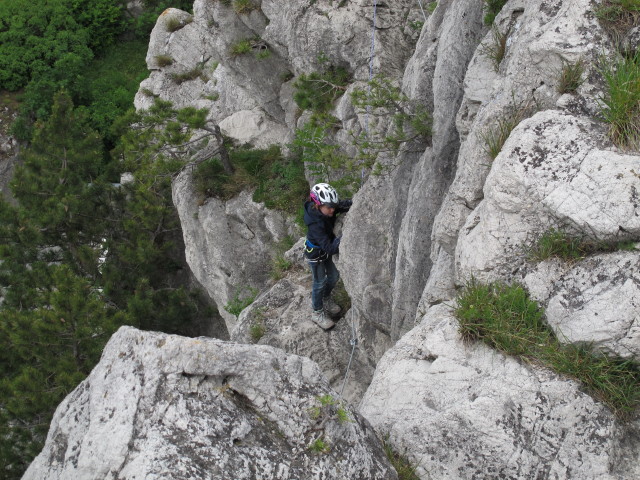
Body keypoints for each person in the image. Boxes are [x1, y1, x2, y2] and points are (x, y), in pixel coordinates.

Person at [303, 183, 352, 330]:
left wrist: (356, 201)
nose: (332, 210)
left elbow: (341, 205)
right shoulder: (315, 223)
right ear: (317, 205)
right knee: (319, 282)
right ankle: (317, 312)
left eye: (333, 206)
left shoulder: (328, 208)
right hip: (316, 254)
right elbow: (330, 248)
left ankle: (326, 298)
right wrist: (345, 235)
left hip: (324, 249)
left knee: (334, 276)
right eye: (329, 207)